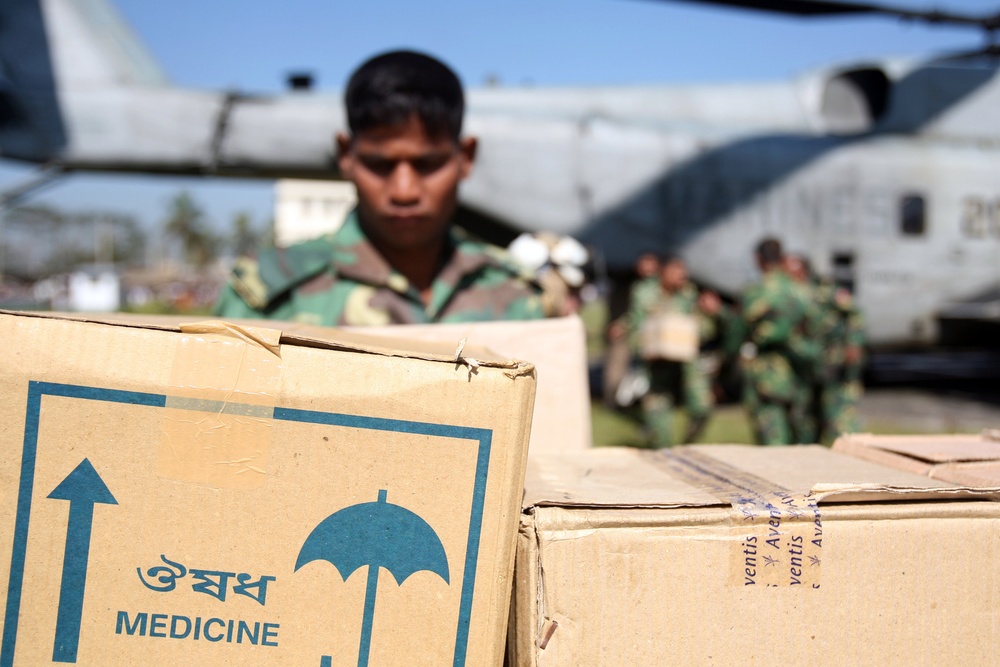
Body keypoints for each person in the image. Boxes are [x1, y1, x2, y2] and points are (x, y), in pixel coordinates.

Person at [215, 50, 542, 325]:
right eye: (379, 165)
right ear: (346, 157)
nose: (404, 192)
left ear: (465, 158)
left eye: (427, 165)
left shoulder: (516, 296)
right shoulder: (269, 297)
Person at [626, 255, 719, 447]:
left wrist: (705, 319)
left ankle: (687, 443)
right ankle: (663, 451)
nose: (682, 275)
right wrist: (643, 348)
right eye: (676, 270)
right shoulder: (644, 293)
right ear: (663, 271)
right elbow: (635, 327)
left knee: (702, 406)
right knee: (659, 422)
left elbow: (704, 327)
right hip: (657, 364)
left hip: (686, 362)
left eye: (683, 270)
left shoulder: (688, 293)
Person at [740, 238, 819, 445]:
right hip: (799, 369)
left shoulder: (759, 290)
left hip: (769, 370)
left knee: (772, 436)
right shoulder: (801, 289)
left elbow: (744, 325)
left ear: (758, 259)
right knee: (801, 432)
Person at [785, 254, 865, 440]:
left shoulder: (824, 291)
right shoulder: (788, 296)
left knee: (839, 419)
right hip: (808, 366)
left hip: (834, 363)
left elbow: (855, 314)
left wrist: (853, 343)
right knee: (805, 420)